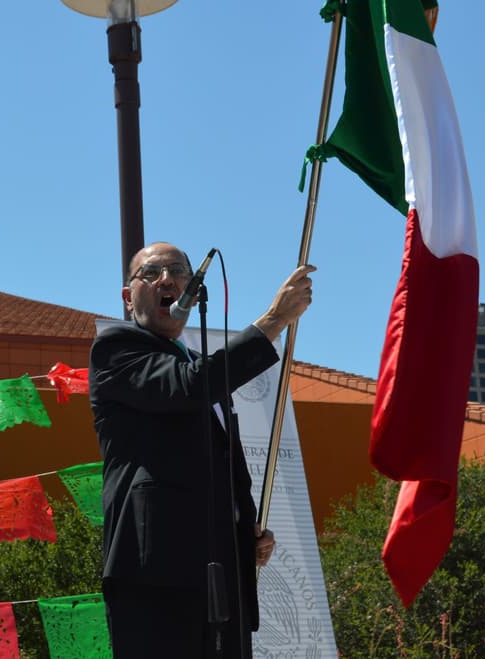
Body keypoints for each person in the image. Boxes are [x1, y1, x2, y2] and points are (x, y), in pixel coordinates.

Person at [89, 241, 315, 658]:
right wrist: (274, 319)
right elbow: (186, 386)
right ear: (127, 296)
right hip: (155, 573)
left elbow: (217, 463)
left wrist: (243, 528)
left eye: (178, 271)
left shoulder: (198, 364)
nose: (167, 279)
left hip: (220, 573)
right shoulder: (116, 350)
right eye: (151, 272)